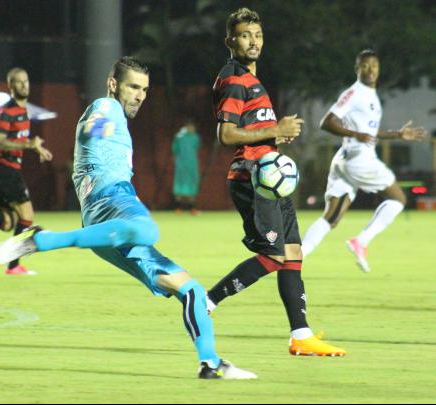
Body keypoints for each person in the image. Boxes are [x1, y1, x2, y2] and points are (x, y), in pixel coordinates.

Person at [0, 56, 257, 380]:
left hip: (105, 228)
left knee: (192, 290)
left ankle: (211, 363)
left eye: (144, 89)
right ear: (114, 84)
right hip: (112, 202)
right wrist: (95, 128)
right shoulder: (107, 108)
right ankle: (40, 240)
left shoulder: (117, 117)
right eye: (133, 86)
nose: (140, 95)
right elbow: (94, 127)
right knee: (146, 228)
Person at [207, 8, 346, 356]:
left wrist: (272, 138)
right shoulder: (234, 79)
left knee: (293, 254)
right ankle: (205, 302)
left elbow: (251, 130)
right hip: (252, 178)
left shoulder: (252, 80)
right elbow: (225, 135)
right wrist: (275, 130)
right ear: (230, 41)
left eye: (257, 35)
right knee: (272, 256)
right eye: (244, 35)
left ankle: (301, 336)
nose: (253, 41)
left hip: (271, 177)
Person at [301, 49, 427, 272]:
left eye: (374, 66)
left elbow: (368, 133)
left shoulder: (371, 95)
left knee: (332, 217)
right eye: (365, 66)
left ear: (379, 69)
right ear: (357, 69)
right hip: (359, 160)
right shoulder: (355, 93)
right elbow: (326, 122)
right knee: (398, 198)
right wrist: (353, 134)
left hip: (345, 160)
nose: (370, 71)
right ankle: (362, 240)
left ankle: (297, 256)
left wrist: (397, 135)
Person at [0, 67, 53, 275]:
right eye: (19, 82)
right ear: (10, 86)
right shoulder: (7, 111)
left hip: (5, 170)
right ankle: (14, 265)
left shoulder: (24, 111)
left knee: (7, 223)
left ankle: (13, 265)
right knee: (27, 215)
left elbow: (22, 140)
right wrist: (29, 145)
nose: (24, 85)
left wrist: (37, 147)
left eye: (26, 81)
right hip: (4, 170)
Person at [172, 120, 201, 215]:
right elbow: (174, 149)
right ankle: (178, 208)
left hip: (192, 165)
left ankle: (192, 209)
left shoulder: (195, 137)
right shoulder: (180, 137)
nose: (191, 129)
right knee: (179, 186)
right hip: (181, 165)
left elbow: (197, 146)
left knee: (192, 185)